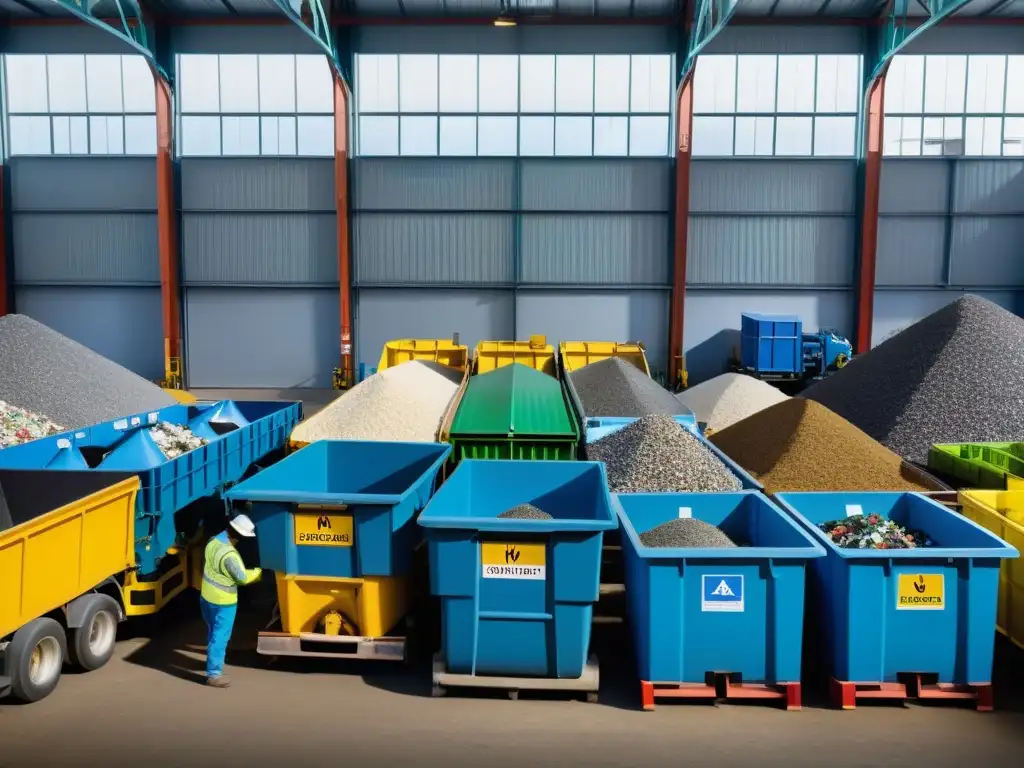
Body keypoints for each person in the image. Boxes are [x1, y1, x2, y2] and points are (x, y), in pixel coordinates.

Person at [199, 514, 262, 688]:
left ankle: (212, 662)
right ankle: (214, 674)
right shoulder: (230, 555)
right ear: (238, 535)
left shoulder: (213, 542)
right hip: (224, 601)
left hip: (206, 598)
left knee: (213, 632)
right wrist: (258, 573)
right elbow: (242, 578)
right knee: (221, 636)